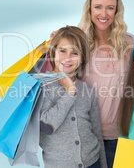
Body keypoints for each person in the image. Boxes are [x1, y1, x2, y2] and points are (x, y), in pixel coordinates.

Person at [78, 0, 134, 167]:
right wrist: (55, 44)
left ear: (117, 11)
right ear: (89, 9)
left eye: (110, 8)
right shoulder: (77, 42)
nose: (104, 14)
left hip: (121, 138)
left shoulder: (130, 43)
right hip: (85, 137)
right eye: (98, 7)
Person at [40, 26, 107, 168]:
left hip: (93, 162)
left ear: (82, 58)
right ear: (53, 52)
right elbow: (46, 126)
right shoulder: (42, 87)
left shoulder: (87, 90)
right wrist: (70, 93)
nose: (67, 58)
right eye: (62, 51)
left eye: (75, 53)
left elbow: (96, 133)